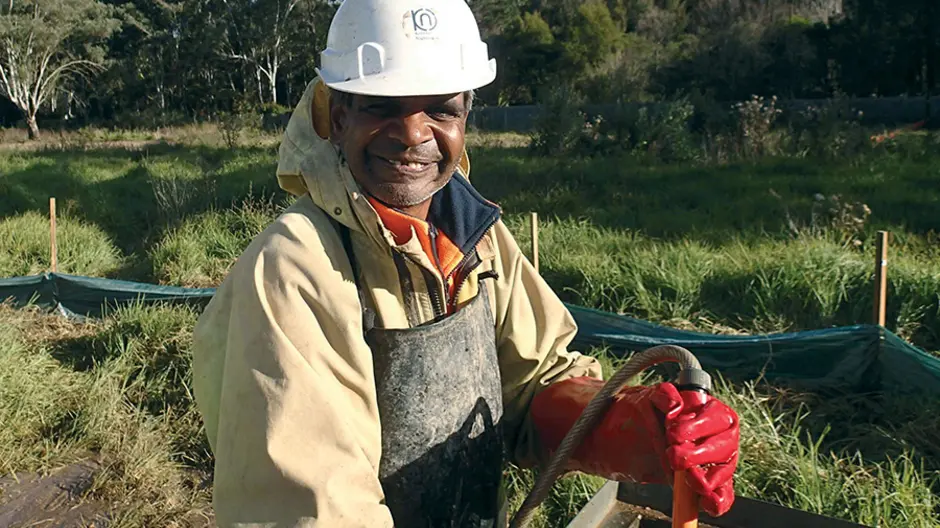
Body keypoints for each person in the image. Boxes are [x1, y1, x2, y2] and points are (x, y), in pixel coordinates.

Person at [191, 0, 740, 526]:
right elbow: (313, 509)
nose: (412, 134)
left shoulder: (475, 235)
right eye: (381, 105)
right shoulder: (294, 267)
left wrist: (638, 428)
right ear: (336, 117)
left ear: (465, 117)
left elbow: (534, 386)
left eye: (440, 107)